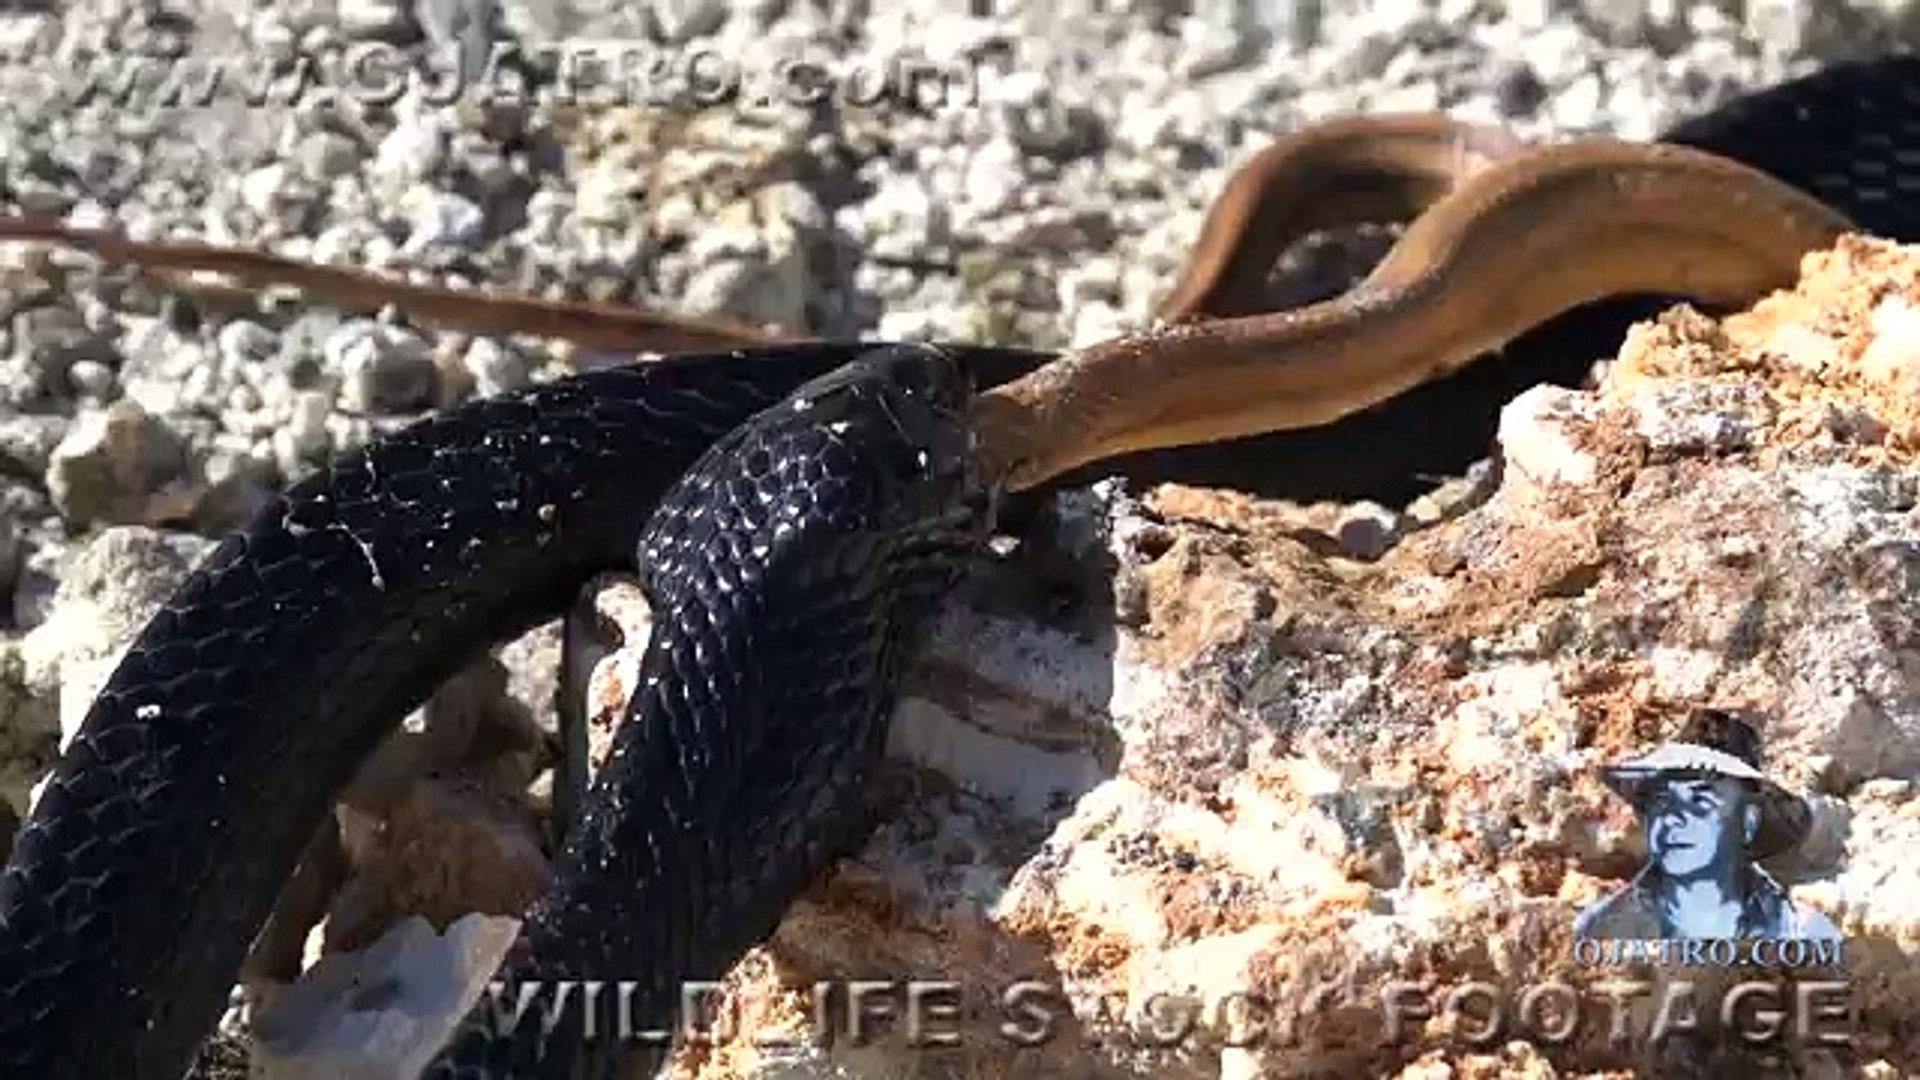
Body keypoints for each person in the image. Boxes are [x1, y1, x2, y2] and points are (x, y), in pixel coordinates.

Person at [1573, 710, 1840, 944]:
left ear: (1749, 821)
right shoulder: (1607, 927)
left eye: (1700, 799)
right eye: (1664, 799)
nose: (1674, 819)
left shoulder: (1797, 931)